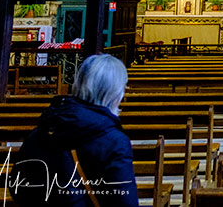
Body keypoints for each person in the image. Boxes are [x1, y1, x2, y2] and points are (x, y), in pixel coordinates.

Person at [12, 54, 137, 206]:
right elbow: (124, 202)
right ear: (116, 94)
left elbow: (17, 187)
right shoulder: (115, 142)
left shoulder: (43, 129)